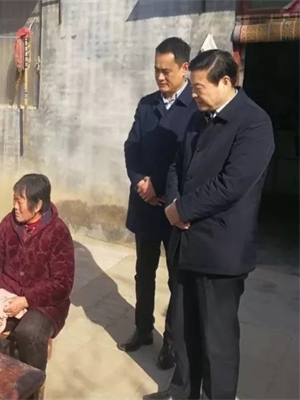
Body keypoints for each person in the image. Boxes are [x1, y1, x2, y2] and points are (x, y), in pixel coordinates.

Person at [144, 50, 275, 400]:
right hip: (185, 244)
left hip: (220, 250)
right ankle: (182, 391)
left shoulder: (254, 123)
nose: (193, 94)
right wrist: (173, 204)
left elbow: (232, 184)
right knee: (184, 329)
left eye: (199, 87)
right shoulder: (198, 117)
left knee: (217, 340)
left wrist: (183, 210)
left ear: (226, 82)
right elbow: (177, 164)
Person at [121, 37, 197, 369]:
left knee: (176, 278)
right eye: (156, 70)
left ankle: (171, 342)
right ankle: (142, 329)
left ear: (185, 68)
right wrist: (140, 181)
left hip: (175, 209)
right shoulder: (147, 105)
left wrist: (164, 191)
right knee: (144, 272)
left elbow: (191, 161)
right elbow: (131, 147)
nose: (160, 77)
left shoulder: (195, 108)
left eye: (166, 71)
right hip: (145, 204)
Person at [0, 173, 75, 373]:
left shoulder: (58, 232)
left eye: (19, 201)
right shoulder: (9, 223)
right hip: (5, 295)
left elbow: (62, 284)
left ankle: (33, 384)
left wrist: (26, 300)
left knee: (30, 333)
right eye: (14, 200)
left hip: (43, 304)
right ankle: (6, 364)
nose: (14, 206)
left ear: (37, 205)